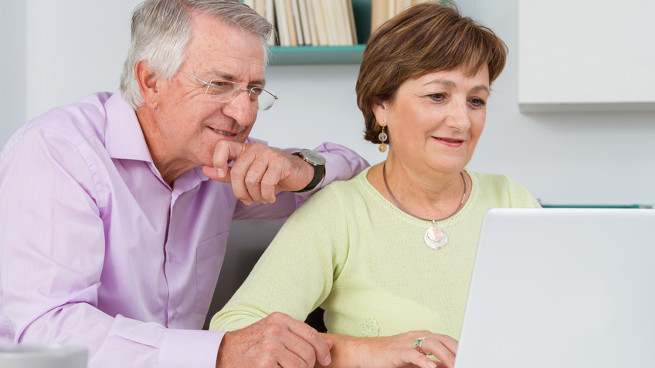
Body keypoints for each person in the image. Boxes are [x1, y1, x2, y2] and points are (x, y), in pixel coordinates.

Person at [0, 1, 368, 367]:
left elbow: (357, 178)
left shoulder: (222, 161)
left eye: (254, 90)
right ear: (151, 81)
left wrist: (303, 169)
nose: (243, 114)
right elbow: (48, 332)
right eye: (220, 84)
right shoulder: (58, 152)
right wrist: (220, 352)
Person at [210, 2, 541, 368]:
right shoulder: (339, 212)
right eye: (438, 96)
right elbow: (234, 332)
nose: (462, 121)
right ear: (381, 106)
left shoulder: (512, 200)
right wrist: (366, 350)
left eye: (476, 101)